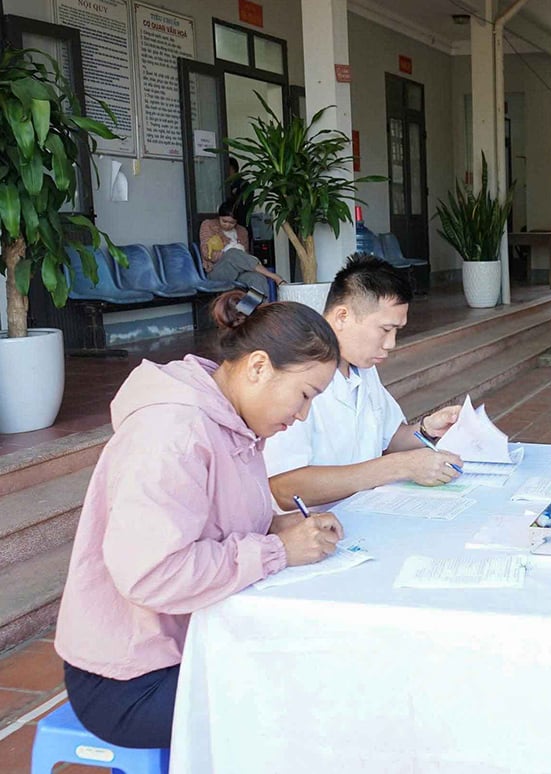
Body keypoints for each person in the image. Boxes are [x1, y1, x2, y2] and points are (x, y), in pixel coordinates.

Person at [54, 290, 346, 749]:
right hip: (131, 677)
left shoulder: (232, 421)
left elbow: (212, 523)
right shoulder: (171, 433)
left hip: (194, 641)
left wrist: (278, 527)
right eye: (305, 395)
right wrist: (276, 551)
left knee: (329, 662)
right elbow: (153, 573)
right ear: (258, 367)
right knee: (310, 702)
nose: (303, 414)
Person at [265, 254, 463, 509]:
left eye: (397, 331)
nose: (391, 343)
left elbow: (389, 437)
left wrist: (427, 429)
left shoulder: (363, 368)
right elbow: (284, 487)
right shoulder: (294, 372)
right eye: (385, 329)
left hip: (366, 511)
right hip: (315, 525)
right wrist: (399, 467)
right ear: (342, 317)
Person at [198, 200, 286, 295]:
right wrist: (228, 253)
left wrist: (238, 257)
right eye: (224, 221)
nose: (227, 225)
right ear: (219, 216)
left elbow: (245, 256)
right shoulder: (208, 225)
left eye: (232, 223)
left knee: (258, 278)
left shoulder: (242, 231)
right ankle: (273, 276)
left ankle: (257, 304)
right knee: (232, 253)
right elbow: (206, 253)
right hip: (217, 271)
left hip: (240, 272)